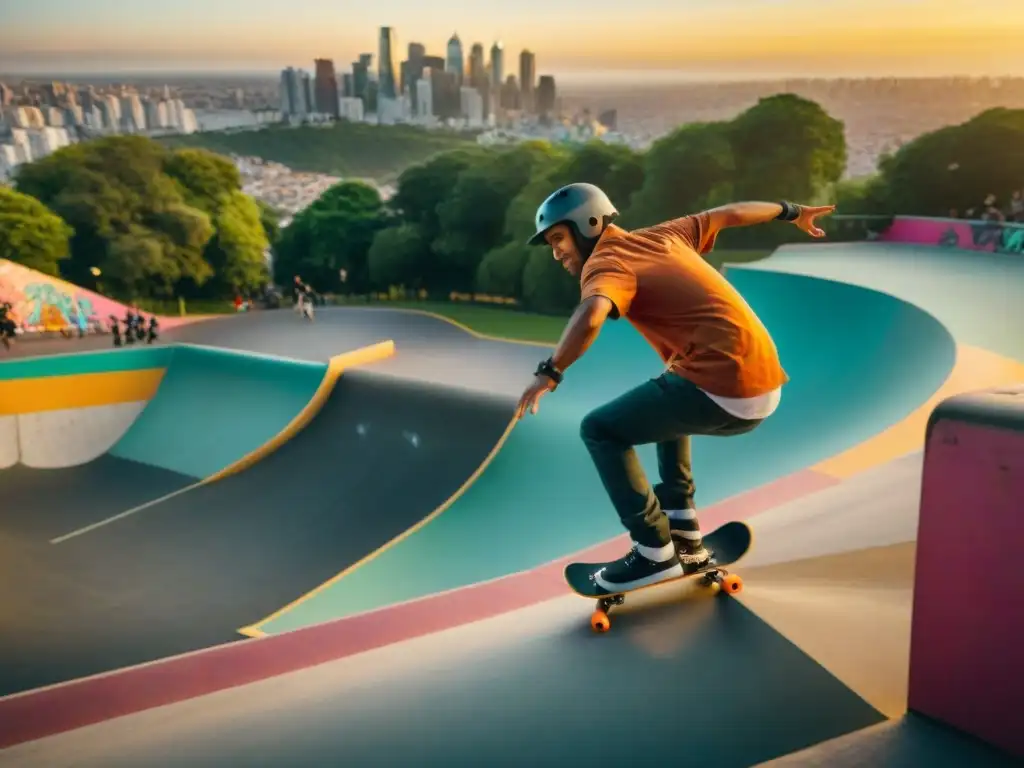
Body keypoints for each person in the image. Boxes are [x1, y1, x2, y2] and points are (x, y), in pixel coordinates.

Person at [515, 183, 835, 593]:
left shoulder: (606, 263)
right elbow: (730, 213)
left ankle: (653, 551)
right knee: (669, 387)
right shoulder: (664, 235)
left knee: (599, 430)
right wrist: (791, 210)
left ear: (588, 225)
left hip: (725, 384)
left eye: (559, 238)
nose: (556, 251)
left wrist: (550, 372)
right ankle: (682, 527)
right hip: (763, 379)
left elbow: (593, 312)